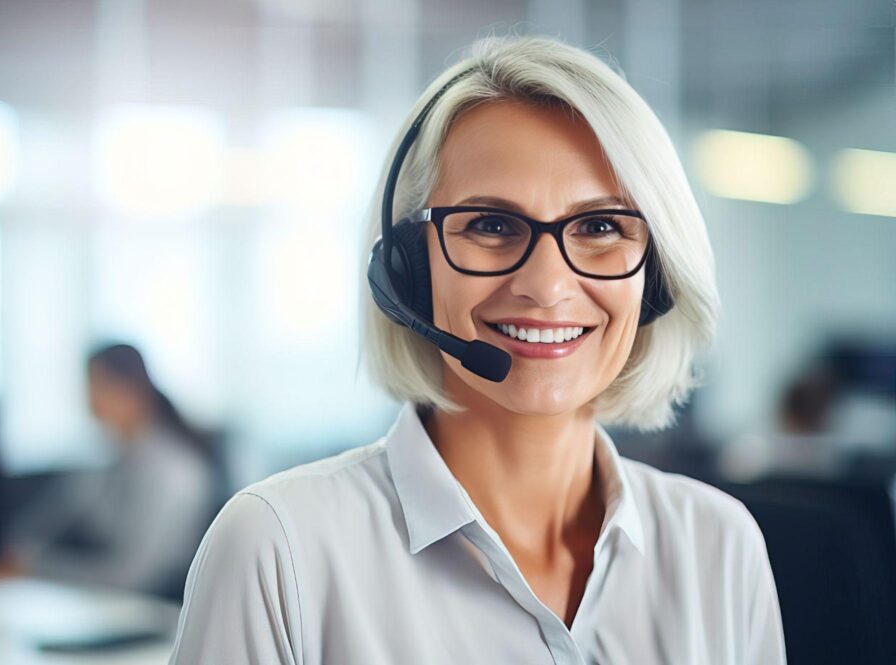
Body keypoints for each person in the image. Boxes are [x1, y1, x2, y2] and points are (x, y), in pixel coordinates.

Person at [170, 35, 786, 663]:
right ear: (407, 271)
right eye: (492, 225)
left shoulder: (720, 545)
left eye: (600, 226)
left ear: (653, 278)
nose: (547, 287)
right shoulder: (279, 548)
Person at [6, 343, 216, 598]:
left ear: (133, 389)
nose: (89, 401)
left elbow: (133, 578)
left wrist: (33, 567)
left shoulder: (177, 473)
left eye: (98, 386)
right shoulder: (112, 465)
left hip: (155, 613)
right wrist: (13, 554)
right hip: (113, 605)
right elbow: (53, 516)